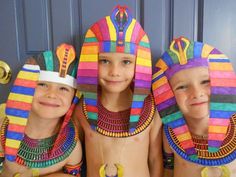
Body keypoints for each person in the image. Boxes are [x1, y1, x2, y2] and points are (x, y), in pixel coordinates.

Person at [73, 5, 163, 177]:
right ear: (91, 61)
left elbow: (155, 160)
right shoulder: (81, 111)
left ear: (139, 63)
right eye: (104, 61)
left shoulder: (153, 111)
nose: (115, 72)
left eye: (126, 62)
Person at [152, 36, 236, 177]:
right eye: (182, 86)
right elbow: (168, 171)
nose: (196, 93)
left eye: (205, 81)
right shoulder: (169, 135)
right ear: (167, 95)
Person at [0, 43, 82, 176]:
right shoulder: (2, 130)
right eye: (43, 84)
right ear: (27, 86)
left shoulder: (72, 147)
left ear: (74, 97)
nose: (51, 94)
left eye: (63, 88)